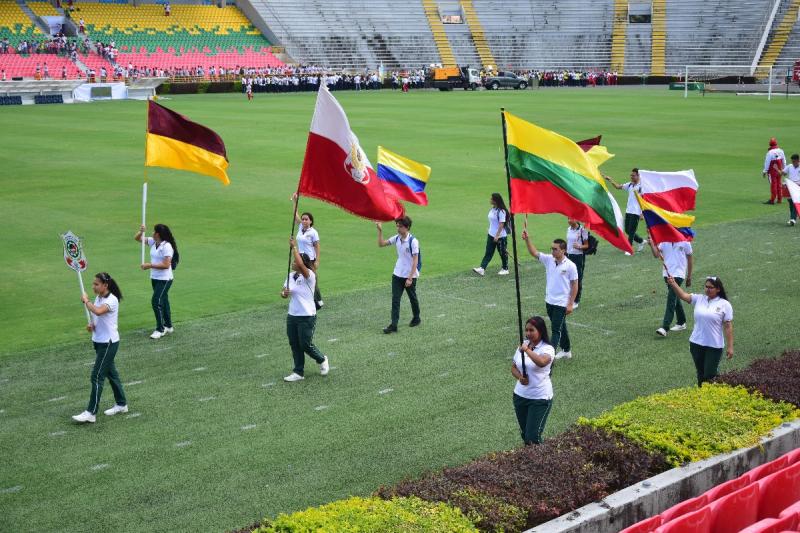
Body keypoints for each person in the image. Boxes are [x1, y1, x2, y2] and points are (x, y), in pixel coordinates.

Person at [72, 272, 128, 423]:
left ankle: (91, 412)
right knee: (112, 374)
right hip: (98, 340)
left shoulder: (112, 300)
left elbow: (98, 311)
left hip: (108, 343)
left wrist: (86, 301)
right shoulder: (99, 298)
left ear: (105, 285)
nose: (93, 287)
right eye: (93, 284)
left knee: (96, 376)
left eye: (96, 284)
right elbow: (97, 317)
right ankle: (122, 404)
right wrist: (92, 325)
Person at [521, 228, 579, 359]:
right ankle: (566, 349)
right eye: (552, 248)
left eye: (555, 249)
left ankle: (549, 356)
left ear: (563, 250)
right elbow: (534, 252)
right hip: (549, 301)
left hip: (561, 303)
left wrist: (570, 304)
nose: (552, 251)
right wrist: (527, 239)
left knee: (556, 330)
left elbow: (575, 285)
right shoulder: (548, 260)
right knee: (561, 326)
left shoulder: (570, 266)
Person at [666, 276, 733, 386]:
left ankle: (716, 395)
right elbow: (682, 295)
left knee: (710, 374)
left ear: (718, 289)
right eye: (706, 287)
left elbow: (728, 326)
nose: (707, 289)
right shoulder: (699, 299)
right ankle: (702, 397)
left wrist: (730, 347)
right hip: (696, 343)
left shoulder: (725, 304)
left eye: (711, 287)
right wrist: (673, 284)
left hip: (714, 346)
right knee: (701, 374)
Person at [281, 237, 329, 382]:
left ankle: (322, 359)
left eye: (295, 262)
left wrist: (294, 247)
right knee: (294, 344)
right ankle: (298, 372)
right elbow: (283, 292)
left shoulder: (310, 276)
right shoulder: (290, 276)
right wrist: (284, 293)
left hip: (307, 315)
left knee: (305, 344)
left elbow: (302, 265)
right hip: (293, 315)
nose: (293, 263)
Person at [511, 316, 555, 445]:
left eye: (532, 330)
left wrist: (527, 350)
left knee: (533, 437)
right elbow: (513, 368)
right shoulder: (523, 346)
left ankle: (541, 463)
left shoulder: (547, 349)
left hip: (539, 398)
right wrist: (520, 377)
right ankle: (529, 462)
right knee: (525, 435)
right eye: (526, 330)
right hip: (520, 396)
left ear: (540, 331)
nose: (528, 333)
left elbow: (541, 362)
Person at [376, 216, 421, 334]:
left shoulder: (413, 241)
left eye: (400, 226)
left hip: (409, 275)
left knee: (412, 298)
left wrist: (410, 278)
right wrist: (380, 231)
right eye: (397, 226)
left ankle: (416, 317)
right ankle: (394, 324)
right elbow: (381, 244)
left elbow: (415, 261)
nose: (398, 228)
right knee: (395, 299)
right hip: (397, 273)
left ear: (407, 227)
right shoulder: (397, 238)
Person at [135, 223, 179, 339]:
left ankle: (160, 329)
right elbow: (138, 239)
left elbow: (166, 265)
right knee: (163, 300)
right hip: (154, 278)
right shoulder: (153, 242)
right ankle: (168, 326)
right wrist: (141, 231)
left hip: (165, 279)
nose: (152, 233)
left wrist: (149, 265)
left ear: (158, 234)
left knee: (156, 301)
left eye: (154, 231)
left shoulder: (167, 246)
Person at [651, 240, 693, 337]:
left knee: (671, 298)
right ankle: (681, 322)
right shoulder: (664, 240)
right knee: (675, 297)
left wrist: (689, 276)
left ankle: (665, 327)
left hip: (678, 274)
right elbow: (656, 254)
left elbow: (690, 258)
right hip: (667, 274)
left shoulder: (685, 241)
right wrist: (652, 244)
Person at [604, 169, 647, 254]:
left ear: (638, 176)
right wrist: (610, 180)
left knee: (631, 231)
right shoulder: (630, 185)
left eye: (633, 175)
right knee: (627, 230)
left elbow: (645, 200)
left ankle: (629, 249)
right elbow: (618, 187)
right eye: (631, 175)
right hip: (629, 211)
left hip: (636, 212)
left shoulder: (642, 187)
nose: (631, 177)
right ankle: (641, 241)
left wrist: (642, 213)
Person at [293, 201, 323, 308]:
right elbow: (295, 216)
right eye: (303, 219)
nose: (304, 220)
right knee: (296, 277)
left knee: (313, 279)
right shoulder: (300, 227)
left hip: (309, 259)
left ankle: (318, 300)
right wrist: (295, 202)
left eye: (306, 219)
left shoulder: (313, 232)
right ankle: (301, 298)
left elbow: (317, 246)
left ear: (310, 221)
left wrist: (317, 260)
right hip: (300, 258)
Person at [472, 193, 510, 276]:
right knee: (488, 252)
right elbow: (493, 222)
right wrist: (490, 230)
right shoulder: (493, 209)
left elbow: (501, 224)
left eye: (491, 199)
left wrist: (497, 235)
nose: (490, 200)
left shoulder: (501, 211)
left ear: (495, 200)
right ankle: (482, 268)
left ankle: (505, 268)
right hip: (491, 234)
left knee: (502, 252)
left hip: (500, 236)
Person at [565, 219, 589, 308]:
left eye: (570, 218)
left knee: (577, 278)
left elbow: (587, 245)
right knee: (568, 277)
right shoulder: (568, 229)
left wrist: (579, 246)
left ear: (575, 219)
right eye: (568, 218)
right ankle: (569, 297)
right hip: (569, 256)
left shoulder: (582, 230)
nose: (568, 220)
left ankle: (576, 300)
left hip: (578, 257)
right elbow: (568, 242)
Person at [763, 137, 786, 205]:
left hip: (772, 171)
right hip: (779, 170)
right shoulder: (781, 151)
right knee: (779, 184)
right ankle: (779, 199)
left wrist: (765, 171)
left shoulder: (770, 152)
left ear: (770, 144)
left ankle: (772, 200)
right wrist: (784, 169)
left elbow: (767, 162)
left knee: (773, 185)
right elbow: (784, 161)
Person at [781, 153, 800, 225]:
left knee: (795, 202)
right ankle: (792, 218)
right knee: (791, 203)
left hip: (798, 187)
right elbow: (782, 173)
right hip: (790, 186)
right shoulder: (789, 166)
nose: (793, 163)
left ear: (798, 160)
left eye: (794, 161)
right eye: (792, 161)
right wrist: (777, 169)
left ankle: (792, 219)